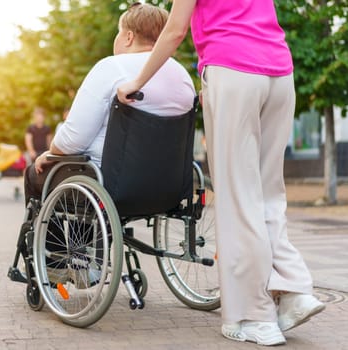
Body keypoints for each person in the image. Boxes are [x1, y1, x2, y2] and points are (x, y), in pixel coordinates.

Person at [116, 0, 324, 346]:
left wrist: (137, 80)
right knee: (268, 192)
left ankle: (255, 316)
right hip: (279, 73)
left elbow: (175, 29)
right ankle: (294, 289)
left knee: (238, 197)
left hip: (233, 70)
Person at [25, 2, 195, 205]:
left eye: (119, 32)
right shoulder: (182, 76)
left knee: (34, 173)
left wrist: (51, 153)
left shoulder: (111, 68)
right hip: (168, 185)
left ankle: (53, 238)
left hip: (109, 182)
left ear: (129, 37)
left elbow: (72, 140)